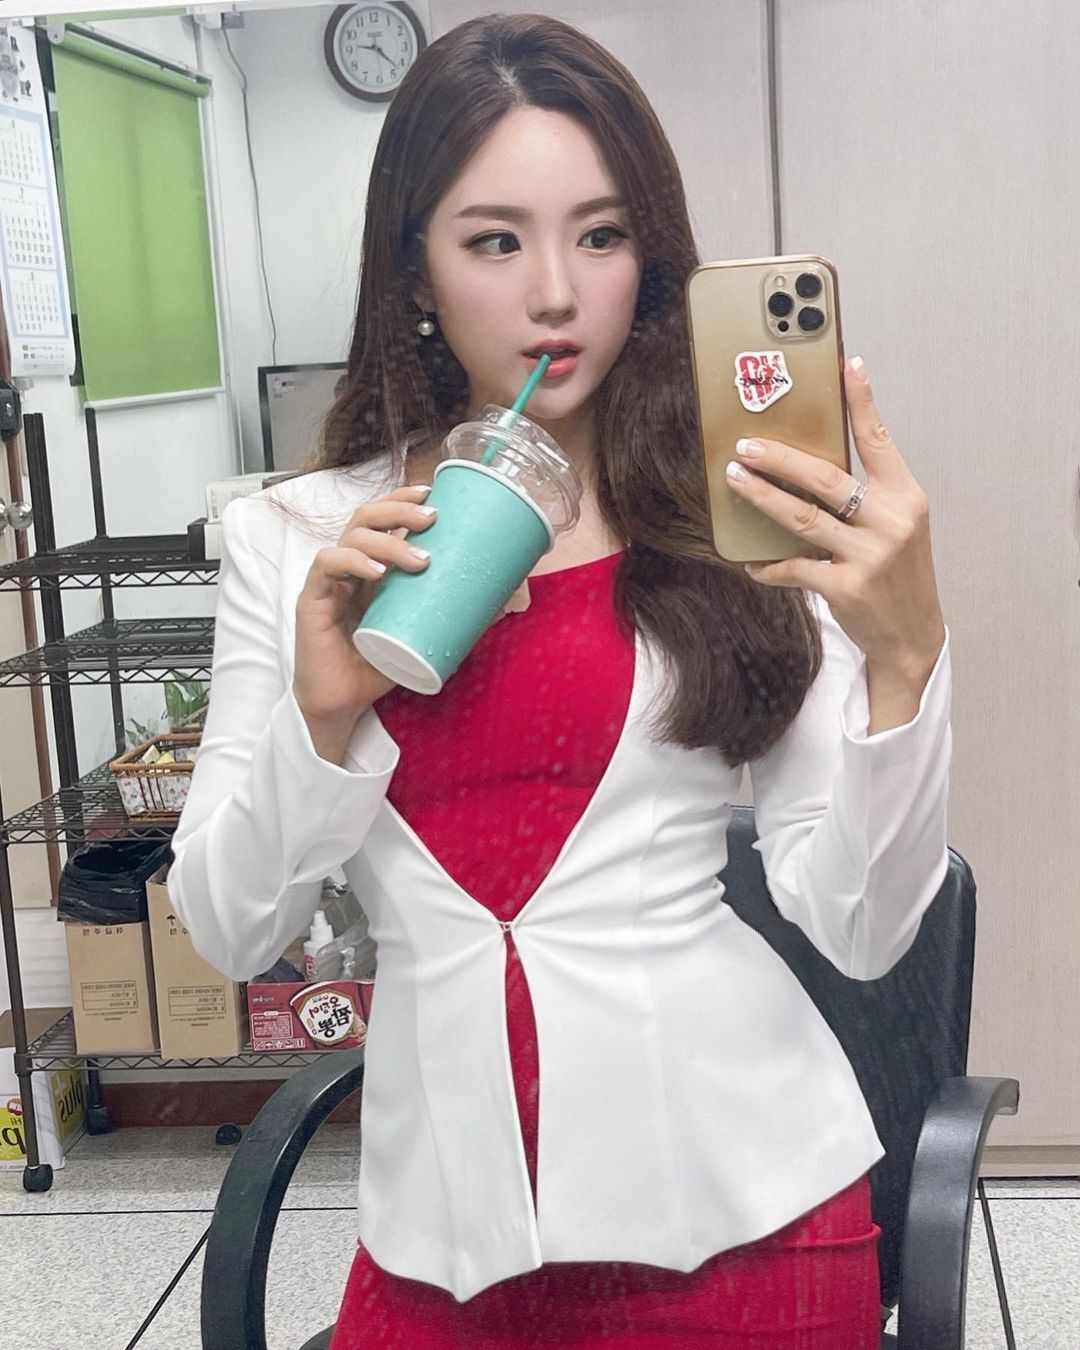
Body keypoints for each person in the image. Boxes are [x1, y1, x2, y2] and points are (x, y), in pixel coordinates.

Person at [170, 13, 951, 1349]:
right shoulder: (298, 542)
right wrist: (321, 716)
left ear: (649, 257)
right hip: (445, 1235)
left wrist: (905, 657)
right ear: (414, 267)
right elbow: (234, 929)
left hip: (748, 1214)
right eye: (494, 241)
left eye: (601, 235)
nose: (554, 294)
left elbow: (863, 929)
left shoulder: (735, 517)